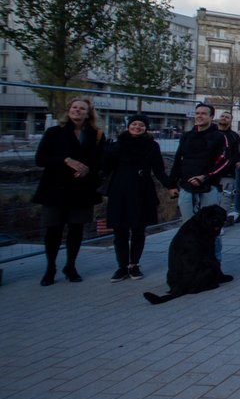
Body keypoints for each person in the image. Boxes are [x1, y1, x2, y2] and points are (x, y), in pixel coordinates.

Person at [34, 98, 106, 286]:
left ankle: (71, 266)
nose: (77, 111)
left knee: (76, 229)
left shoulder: (96, 135)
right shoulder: (54, 133)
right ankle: (50, 267)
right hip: (55, 189)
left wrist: (89, 169)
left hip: (82, 189)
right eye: (74, 107)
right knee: (54, 230)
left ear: (88, 113)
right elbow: (40, 159)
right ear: (69, 110)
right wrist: (66, 160)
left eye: (82, 109)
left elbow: (101, 161)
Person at [102, 114, 174, 282]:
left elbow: (158, 170)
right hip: (119, 191)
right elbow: (105, 168)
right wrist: (105, 153)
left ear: (146, 128)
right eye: (134, 124)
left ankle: (134, 264)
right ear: (128, 126)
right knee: (119, 230)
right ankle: (121, 266)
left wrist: (170, 185)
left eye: (141, 125)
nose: (137, 127)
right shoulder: (117, 145)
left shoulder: (152, 146)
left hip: (142, 190)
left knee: (138, 230)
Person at [169, 103, 229, 260]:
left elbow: (223, 161)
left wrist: (205, 176)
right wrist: (171, 184)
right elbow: (178, 160)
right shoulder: (187, 136)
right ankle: (190, 261)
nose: (199, 116)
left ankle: (215, 262)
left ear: (211, 117)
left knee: (212, 227)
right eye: (197, 113)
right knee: (188, 227)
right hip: (187, 187)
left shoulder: (219, 137)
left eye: (203, 113)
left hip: (209, 187)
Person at [216, 111, 240, 221]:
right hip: (210, 173)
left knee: (225, 199)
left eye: (227, 117)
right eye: (222, 116)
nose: (224, 118)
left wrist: (227, 166)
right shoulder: (212, 133)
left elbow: (236, 155)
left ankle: (220, 222)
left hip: (227, 173)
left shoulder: (234, 136)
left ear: (230, 121)